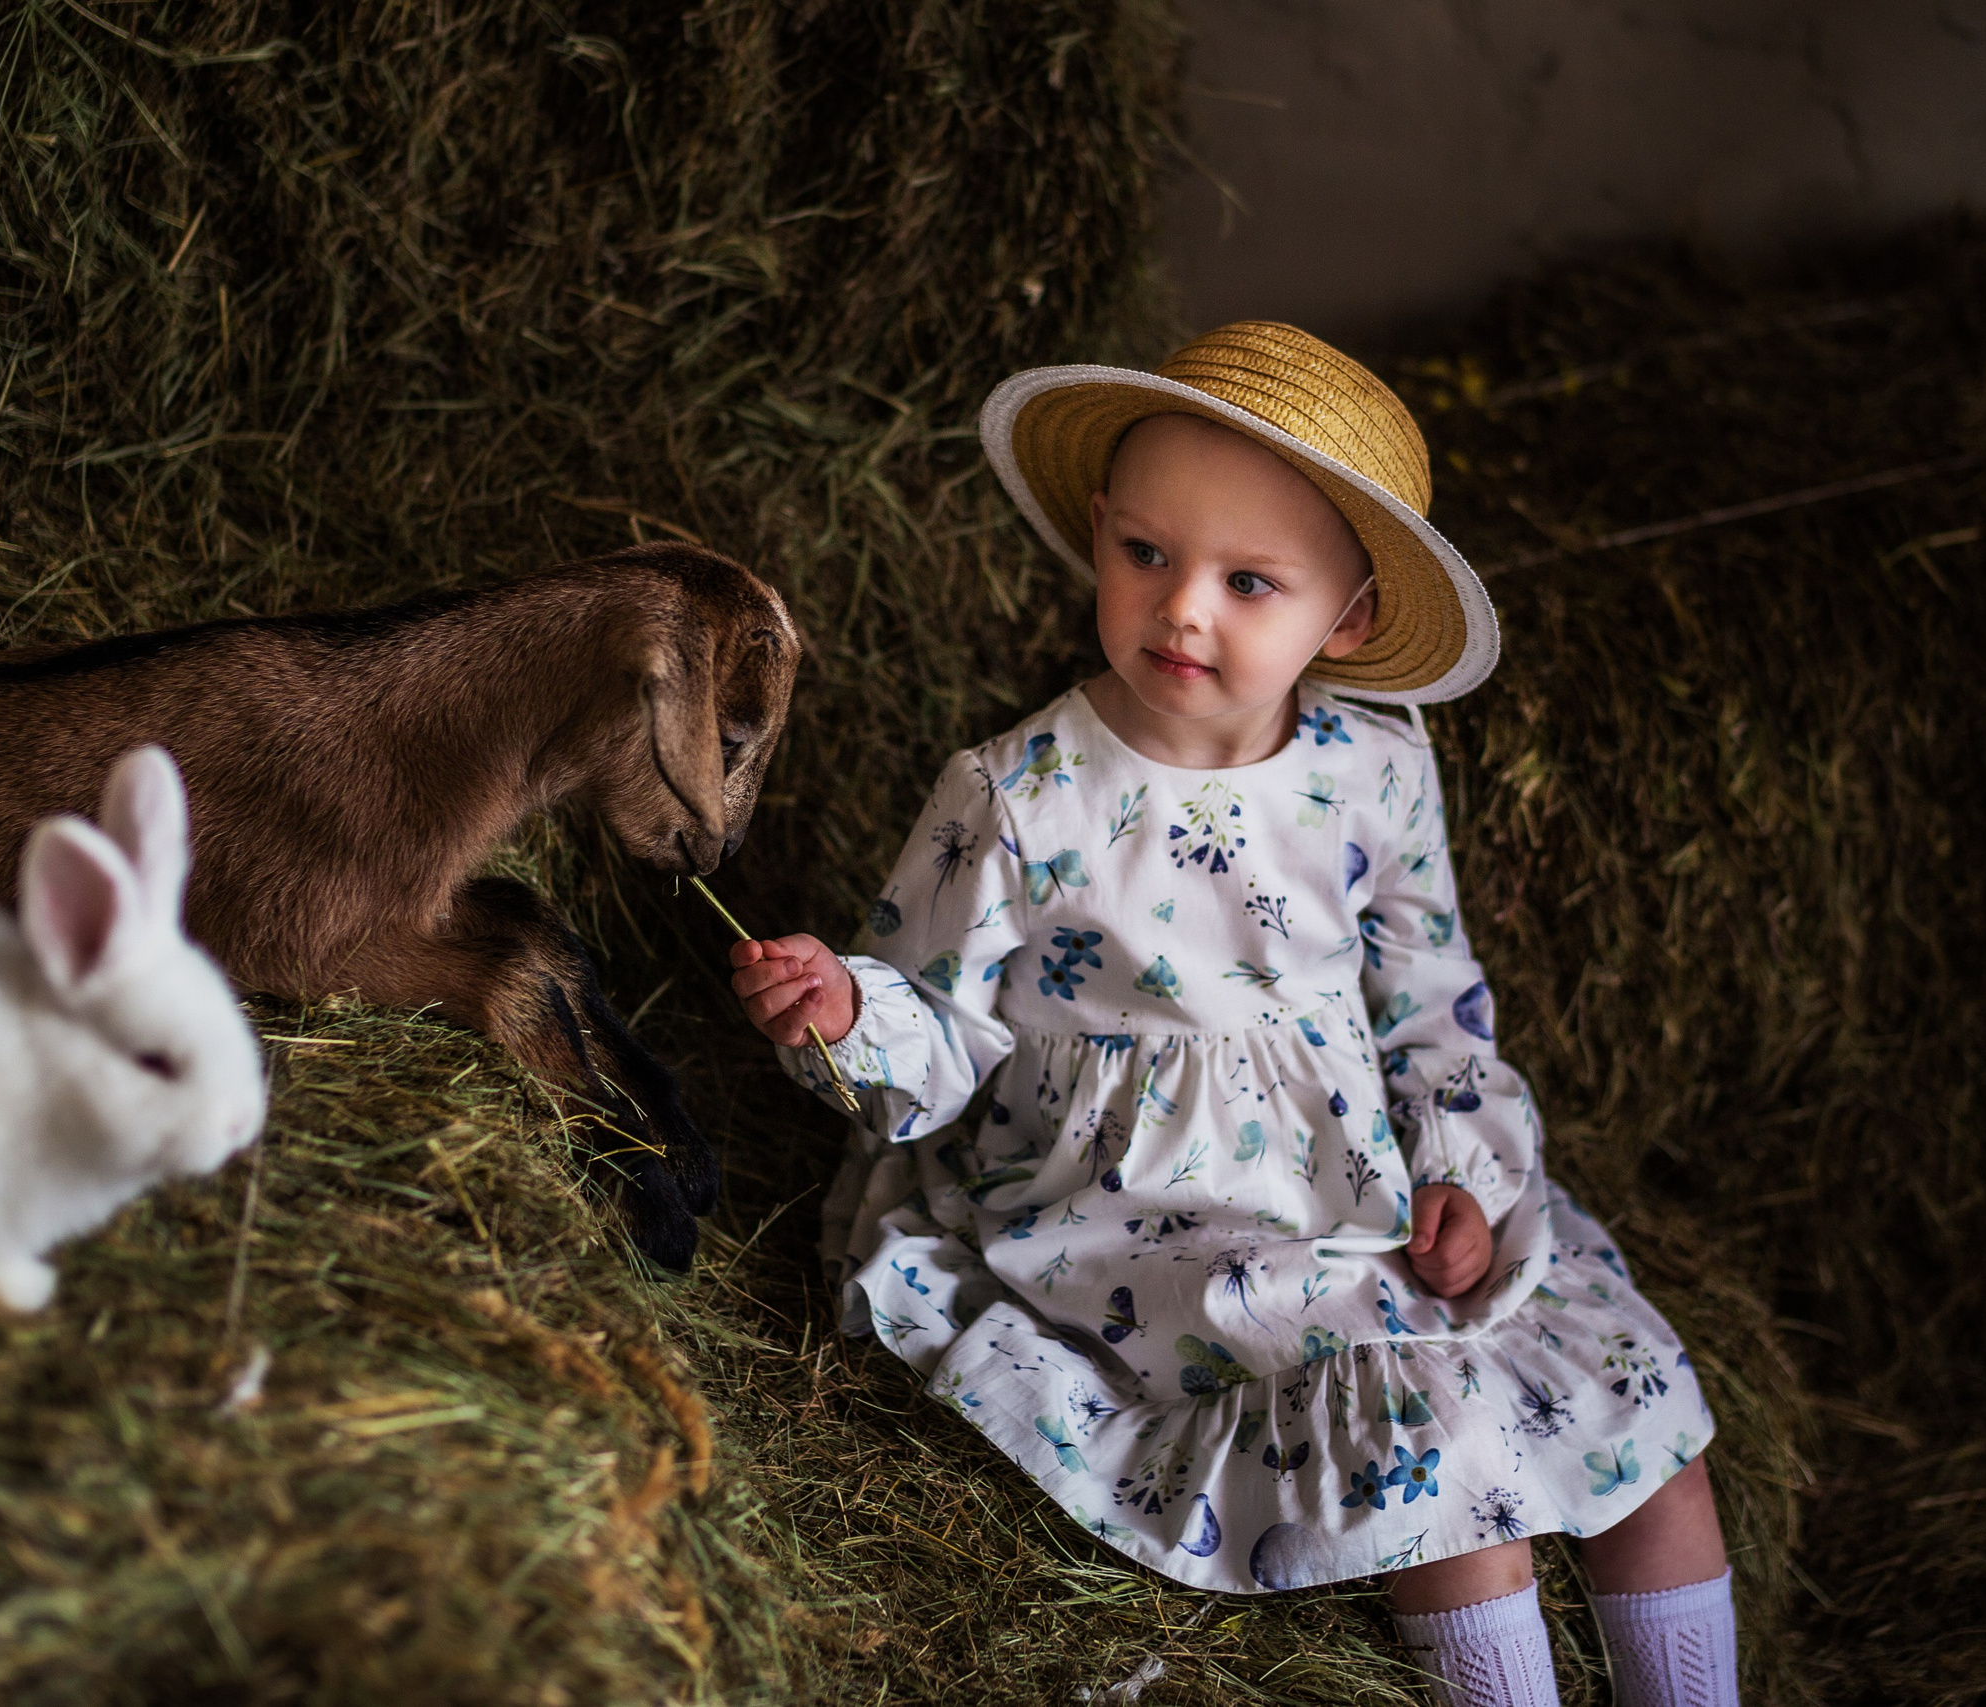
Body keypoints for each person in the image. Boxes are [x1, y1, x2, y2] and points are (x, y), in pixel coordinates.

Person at [729, 323, 1738, 1707]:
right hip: (1144, 1204)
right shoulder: (1021, 795)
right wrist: (847, 1011)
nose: (1181, 609)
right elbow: (945, 1038)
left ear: (1352, 620)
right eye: (1146, 554)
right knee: (1435, 1474)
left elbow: (1431, 1002)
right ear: (1098, 531)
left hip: (1358, 1176)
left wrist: (1461, 1169)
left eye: (1248, 582)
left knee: (1649, 1442)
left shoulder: (1374, 768)